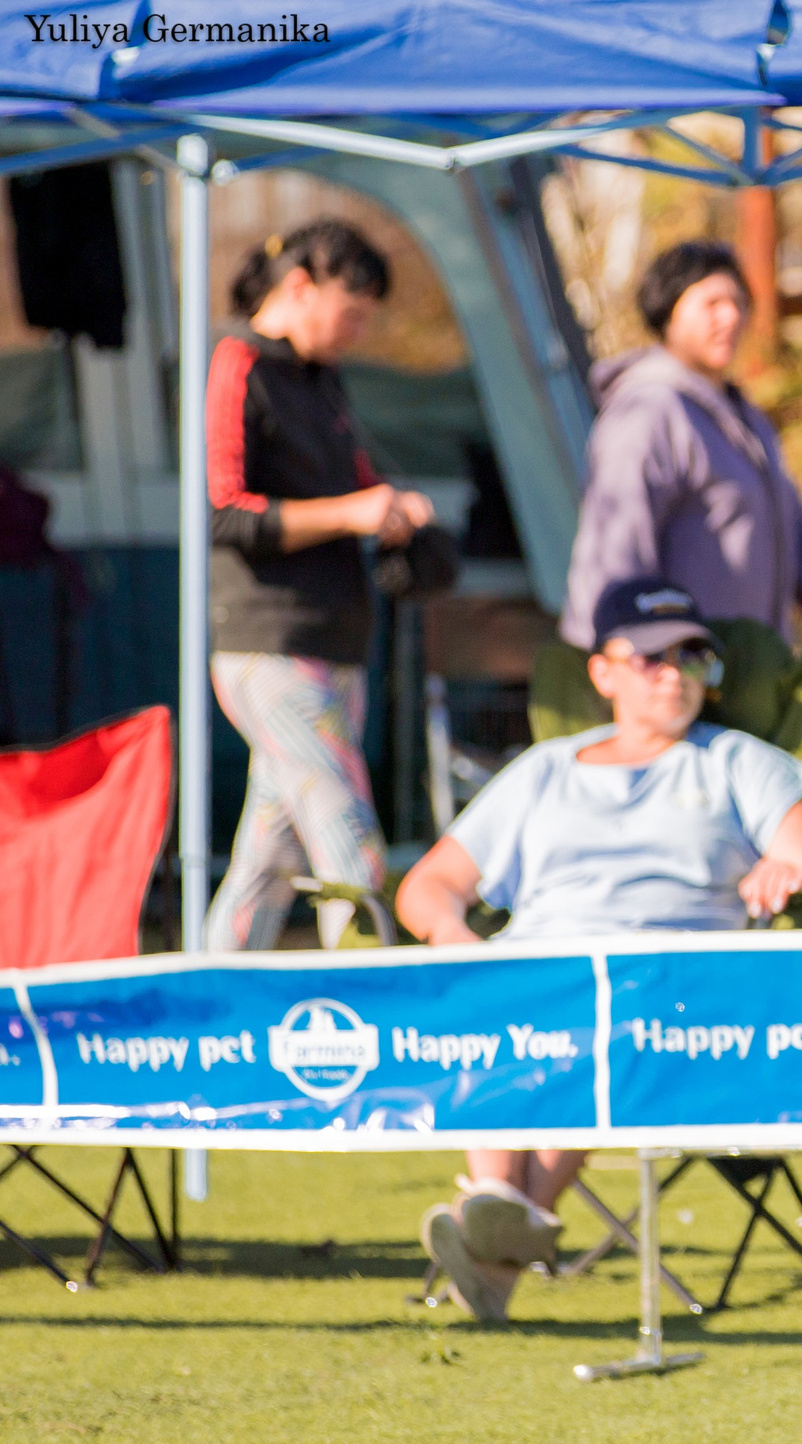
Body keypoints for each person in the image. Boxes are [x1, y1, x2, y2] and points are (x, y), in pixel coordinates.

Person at [395, 578, 802, 1322]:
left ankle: (495, 1220)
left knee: (596, 1014)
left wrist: (783, 868)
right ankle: (505, 1225)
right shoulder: (543, 770)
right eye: (653, 658)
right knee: (503, 996)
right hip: (535, 971)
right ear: (602, 672)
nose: (675, 674)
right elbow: (428, 887)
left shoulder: (736, 761)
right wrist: (454, 935)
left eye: (694, 657)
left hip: (673, 985)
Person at [205, 219, 437, 950]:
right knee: (348, 836)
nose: (357, 332)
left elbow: (358, 487)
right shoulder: (237, 361)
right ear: (301, 286)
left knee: (270, 855)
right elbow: (222, 510)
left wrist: (394, 511)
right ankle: (374, 987)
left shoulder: (325, 381)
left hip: (338, 642)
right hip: (270, 646)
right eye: (351, 313)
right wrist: (350, 513)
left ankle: (213, 985)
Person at [557, 240, 802, 652]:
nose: (731, 316)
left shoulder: (747, 421)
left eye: (738, 302)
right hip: (679, 673)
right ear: (667, 313)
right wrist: (628, 661)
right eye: (712, 303)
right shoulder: (648, 414)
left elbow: (800, 548)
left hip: (747, 670)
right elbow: (614, 559)